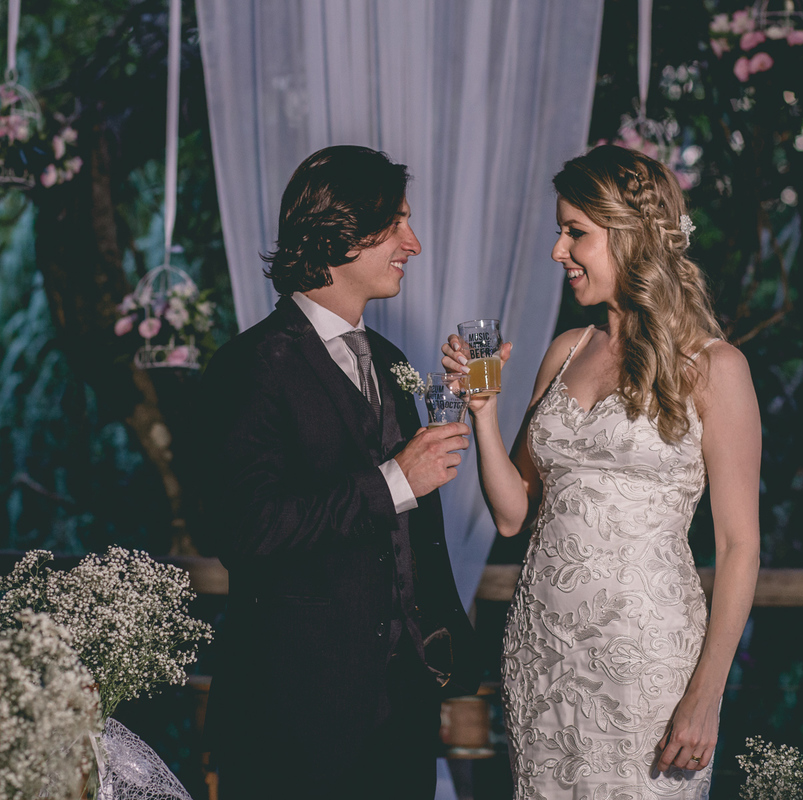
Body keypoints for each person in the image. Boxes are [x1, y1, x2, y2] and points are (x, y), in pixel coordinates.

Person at [442, 144, 761, 798]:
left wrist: (706, 694)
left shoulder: (717, 368)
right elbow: (512, 513)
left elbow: (739, 546)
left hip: (646, 660)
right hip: (542, 653)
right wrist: (483, 413)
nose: (558, 250)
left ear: (630, 236)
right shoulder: (567, 350)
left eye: (575, 232)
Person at [199, 145, 479, 800]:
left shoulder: (389, 359)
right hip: (293, 718)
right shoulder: (250, 366)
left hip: (402, 713)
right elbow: (246, 529)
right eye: (396, 223)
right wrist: (394, 482)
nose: (413, 242)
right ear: (340, 231)